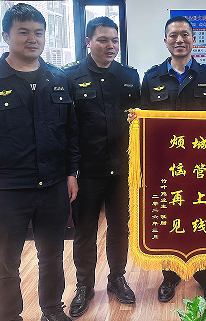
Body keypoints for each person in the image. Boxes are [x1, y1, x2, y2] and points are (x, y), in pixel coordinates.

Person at [0, 3, 79, 321]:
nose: (32, 39)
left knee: (52, 256)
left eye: (38, 32)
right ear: (5, 36)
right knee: (6, 262)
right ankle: (9, 316)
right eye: (23, 32)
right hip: (8, 190)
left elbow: (70, 133)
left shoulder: (58, 79)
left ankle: (52, 310)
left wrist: (71, 172)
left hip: (52, 187)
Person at [139, 15, 206, 305]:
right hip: (166, 166)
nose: (179, 40)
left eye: (185, 35)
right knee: (169, 217)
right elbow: (143, 122)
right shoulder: (152, 78)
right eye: (173, 35)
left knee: (203, 217)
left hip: (201, 166)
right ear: (165, 41)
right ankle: (170, 276)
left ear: (193, 40)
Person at [63, 16, 140, 316]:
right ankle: (84, 286)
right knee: (85, 231)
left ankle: (116, 278)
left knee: (120, 228)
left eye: (115, 40)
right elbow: (66, 129)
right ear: (88, 42)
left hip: (122, 170)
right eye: (103, 40)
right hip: (88, 171)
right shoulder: (70, 77)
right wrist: (70, 171)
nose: (110, 46)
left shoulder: (129, 76)